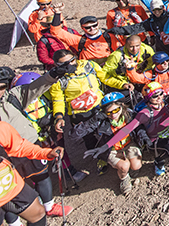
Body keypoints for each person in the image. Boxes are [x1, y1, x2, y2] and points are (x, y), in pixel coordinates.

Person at [0, 66, 76, 220]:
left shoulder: (11, 97)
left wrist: (53, 74)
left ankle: (48, 206)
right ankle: (15, 222)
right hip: (5, 157)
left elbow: (35, 87)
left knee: (41, 175)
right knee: (9, 190)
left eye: (2, 86)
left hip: (27, 143)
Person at [85, 82, 169, 176]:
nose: (159, 97)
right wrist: (105, 146)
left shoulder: (166, 103)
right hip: (156, 140)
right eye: (154, 96)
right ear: (148, 98)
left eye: (161, 93)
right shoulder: (145, 113)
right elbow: (126, 129)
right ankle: (158, 161)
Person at [0, 121, 64, 226]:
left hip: (9, 183)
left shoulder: (1, 128)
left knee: (38, 213)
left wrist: (46, 153)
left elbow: (19, 146)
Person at [92, 93, 142, 194]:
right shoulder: (102, 122)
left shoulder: (129, 115)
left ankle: (129, 168)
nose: (113, 115)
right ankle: (124, 178)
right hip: (112, 149)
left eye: (116, 110)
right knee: (124, 166)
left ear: (122, 106)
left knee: (136, 165)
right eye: (108, 112)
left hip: (129, 143)